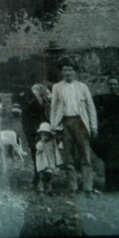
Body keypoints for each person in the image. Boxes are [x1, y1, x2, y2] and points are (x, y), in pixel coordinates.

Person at [49, 60, 98, 196]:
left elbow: (91, 108)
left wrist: (93, 126)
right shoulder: (57, 87)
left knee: (85, 157)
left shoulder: (82, 87)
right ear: (62, 72)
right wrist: (53, 125)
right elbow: (53, 108)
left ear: (75, 72)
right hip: (65, 124)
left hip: (81, 123)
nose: (68, 72)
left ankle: (88, 188)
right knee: (68, 157)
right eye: (65, 70)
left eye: (70, 70)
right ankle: (73, 188)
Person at [15, 83, 51, 189]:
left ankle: (45, 180)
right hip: (30, 127)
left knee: (43, 152)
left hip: (41, 126)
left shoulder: (31, 94)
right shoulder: (20, 96)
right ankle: (38, 178)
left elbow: (39, 109)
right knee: (35, 152)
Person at [35, 122, 63, 195]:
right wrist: (42, 143)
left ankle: (49, 190)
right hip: (42, 163)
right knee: (42, 177)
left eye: (46, 134)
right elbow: (38, 148)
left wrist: (58, 162)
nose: (44, 136)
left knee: (49, 177)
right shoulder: (40, 143)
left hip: (50, 162)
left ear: (49, 134)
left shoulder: (52, 143)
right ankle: (41, 189)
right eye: (42, 134)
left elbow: (56, 152)